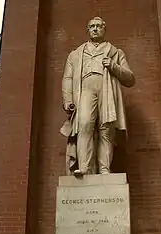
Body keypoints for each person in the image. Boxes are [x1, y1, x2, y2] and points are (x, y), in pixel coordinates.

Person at [60, 17, 135, 177]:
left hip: (107, 91)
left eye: (98, 26)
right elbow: (67, 78)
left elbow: (130, 78)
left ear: (104, 29)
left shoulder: (115, 52)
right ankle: (85, 168)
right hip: (85, 90)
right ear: (87, 30)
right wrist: (68, 100)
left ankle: (104, 169)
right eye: (92, 26)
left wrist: (113, 66)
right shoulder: (75, 54)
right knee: (85, 124)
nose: (95, 29)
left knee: (106, 129)